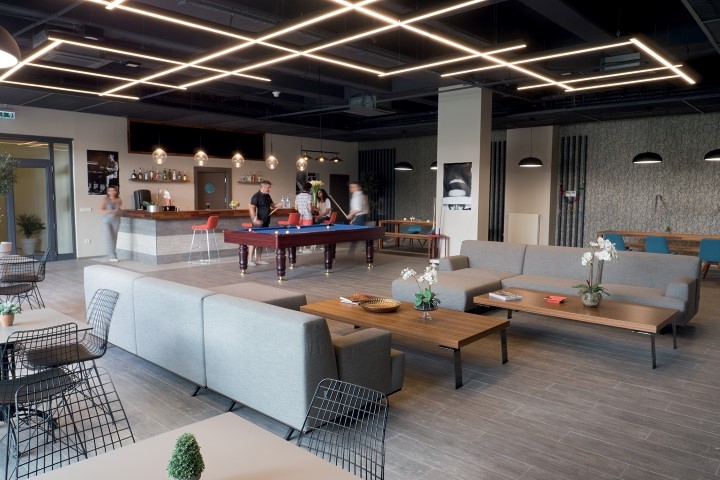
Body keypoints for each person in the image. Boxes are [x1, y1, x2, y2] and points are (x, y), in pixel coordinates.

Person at [248, 180, 282, 266]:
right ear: (263, 187)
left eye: (270, 187)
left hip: (266, 221)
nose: (270, 189)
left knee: (261, 240)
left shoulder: (267, 196)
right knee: (254, 241)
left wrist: (279, 204)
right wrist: (255, 219)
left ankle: (258, 259)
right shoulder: (256, 196)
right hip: (257, 222)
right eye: (268, 187)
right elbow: (251, 208)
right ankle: (250, 260)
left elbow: (272, 205)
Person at [99, 185, 122, 262]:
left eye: (113, 190)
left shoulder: (119, 200)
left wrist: (121, 208)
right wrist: (108, 211)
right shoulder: (105, 200)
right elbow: (100, 210)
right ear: (108, 192)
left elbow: (121, 208)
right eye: (110, 190)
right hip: (107, 221)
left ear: (116, 192)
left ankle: (112, 254)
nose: (111, 192)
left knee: (114, 238)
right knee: (109, 237)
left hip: (116, 220)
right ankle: (112, 256)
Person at [346, 182, 368, 255]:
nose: (351, 188)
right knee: (359, 234)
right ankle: (369, 244)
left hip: (360, 216)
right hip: (360, 216)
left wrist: (350, 214)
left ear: (358, 188)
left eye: (353, 187)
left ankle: (351, 250)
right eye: (351, 187)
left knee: (357, 234)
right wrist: (353, 218)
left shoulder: (358, 196)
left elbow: (358, 209)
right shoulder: (357, 195)